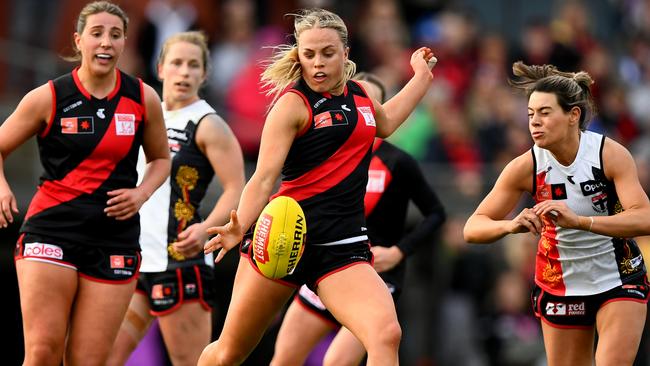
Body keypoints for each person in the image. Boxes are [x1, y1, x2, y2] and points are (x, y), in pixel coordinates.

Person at [197, 8, 435, 366]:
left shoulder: (359, 96)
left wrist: (420, 78)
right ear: (299, 56)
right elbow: (263, 179)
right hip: (284, 239)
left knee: (386, 334)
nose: (317, 63)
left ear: (346, 53)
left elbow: (384, 122)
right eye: (308, 54)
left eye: (327, 53)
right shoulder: (292, 105)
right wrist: (239, 226)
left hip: (342, 246)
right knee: (229, 353)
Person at [0, 1, 171, 365]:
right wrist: (1, 187)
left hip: (115, 237)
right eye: (97, 34)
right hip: (51, 231)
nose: (106, 42)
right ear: (79, 41)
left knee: (88, 360)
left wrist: (142, 193)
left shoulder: (143, 98)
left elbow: (161, 159)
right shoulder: (49, 96)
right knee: (43, 351)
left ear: (125, 42)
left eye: (115, 35)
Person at [463, 61, 650, 366]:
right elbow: (472, 228)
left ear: (573, 116)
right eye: (530, 114)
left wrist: (581, 222)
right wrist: (512, 225)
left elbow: (644, 217)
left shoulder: (608, 154)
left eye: (545, 113)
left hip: (618, 277)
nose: (534, 122)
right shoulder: (526, 166)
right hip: (560, 283)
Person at [270, 72, 447, 366]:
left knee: (337, 362)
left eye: (374, 99)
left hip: (376, 275)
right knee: (284, 359)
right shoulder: (324, 152)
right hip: (325, 267)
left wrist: (399, 251)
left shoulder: (398, 162)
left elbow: (436, 213)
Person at [107, 31, 246, 366]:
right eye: (178, 63)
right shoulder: (143, 114)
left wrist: (206, 230)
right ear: (160, 67)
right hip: (134, 256)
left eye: (194, 65)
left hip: (180, 259)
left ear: (205, 74)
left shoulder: (209, 124)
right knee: (101, 357)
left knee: (192, 363)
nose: (184, 72)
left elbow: (237, 188)